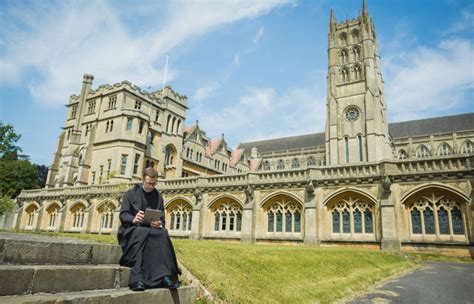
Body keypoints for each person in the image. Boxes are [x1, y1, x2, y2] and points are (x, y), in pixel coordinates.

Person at [117, 167, 181, 291]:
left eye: (153, 183)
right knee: (142, 233)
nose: (151, 186)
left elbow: (162, 218)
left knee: (162, 233)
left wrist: (159, 223)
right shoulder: (130, 193)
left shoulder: (158, 196)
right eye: (148, 183)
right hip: (131, 229)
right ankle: (137, 279)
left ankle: (165, 276)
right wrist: (133, 219)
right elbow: (123, 214)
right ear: (142, 179)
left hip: (151, 230)